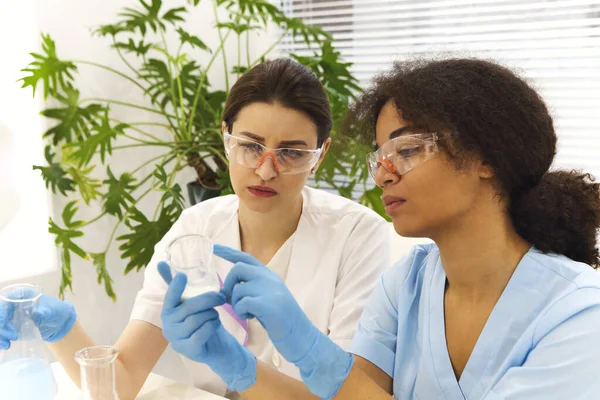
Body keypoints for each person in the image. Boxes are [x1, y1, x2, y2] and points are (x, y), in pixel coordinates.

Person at [161, 58, 600, 399]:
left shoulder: (578, 314)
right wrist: (236, 364)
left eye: (406, 149)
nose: (383, 174)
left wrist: (311, 349)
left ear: (487, 157)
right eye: (380, 156)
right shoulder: (405, 286)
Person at [0, 58, 391, 399]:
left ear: (319, 156)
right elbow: (121, 383)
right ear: (226, 139)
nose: (266, 169)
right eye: (250, 146)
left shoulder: (358, 236)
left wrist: (242, 367)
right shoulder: (194, 229)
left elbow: (356, 396)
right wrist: (62, 330)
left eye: (291, 152)